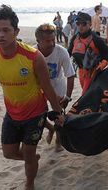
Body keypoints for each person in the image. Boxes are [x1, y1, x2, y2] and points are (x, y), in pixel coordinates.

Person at [0, 5, 62, 190]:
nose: (1, 35)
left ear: (16, 31)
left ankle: (29, 184)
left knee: (28, 153)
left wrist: (58, 113)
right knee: (8, 153)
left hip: (35, 114)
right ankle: (32, 158)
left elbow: (47, 88)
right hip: (12, 113)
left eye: (6, 30)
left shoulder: (33, 57)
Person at [34, 23, 75, 152]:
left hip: (58, 87)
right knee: (36, 115)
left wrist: (67, 97)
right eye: (47, 41)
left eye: (53, 39)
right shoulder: (32, 53)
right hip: (38, 88)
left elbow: (70, 75)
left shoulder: (61, 52)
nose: (52, 43)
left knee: (59, 115)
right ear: (38, 41)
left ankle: (58, 139)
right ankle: (50, 128)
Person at [68, 12, 108, 95]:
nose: (80, 26)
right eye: (78, 23)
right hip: (80, 71)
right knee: (87, 93)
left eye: (83, 24)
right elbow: (68, 53)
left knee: (85, 95)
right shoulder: (75, 38)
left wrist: (102, 65)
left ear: (90, 24)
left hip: (92, 72)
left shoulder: (95, 38)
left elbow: (107, 53)